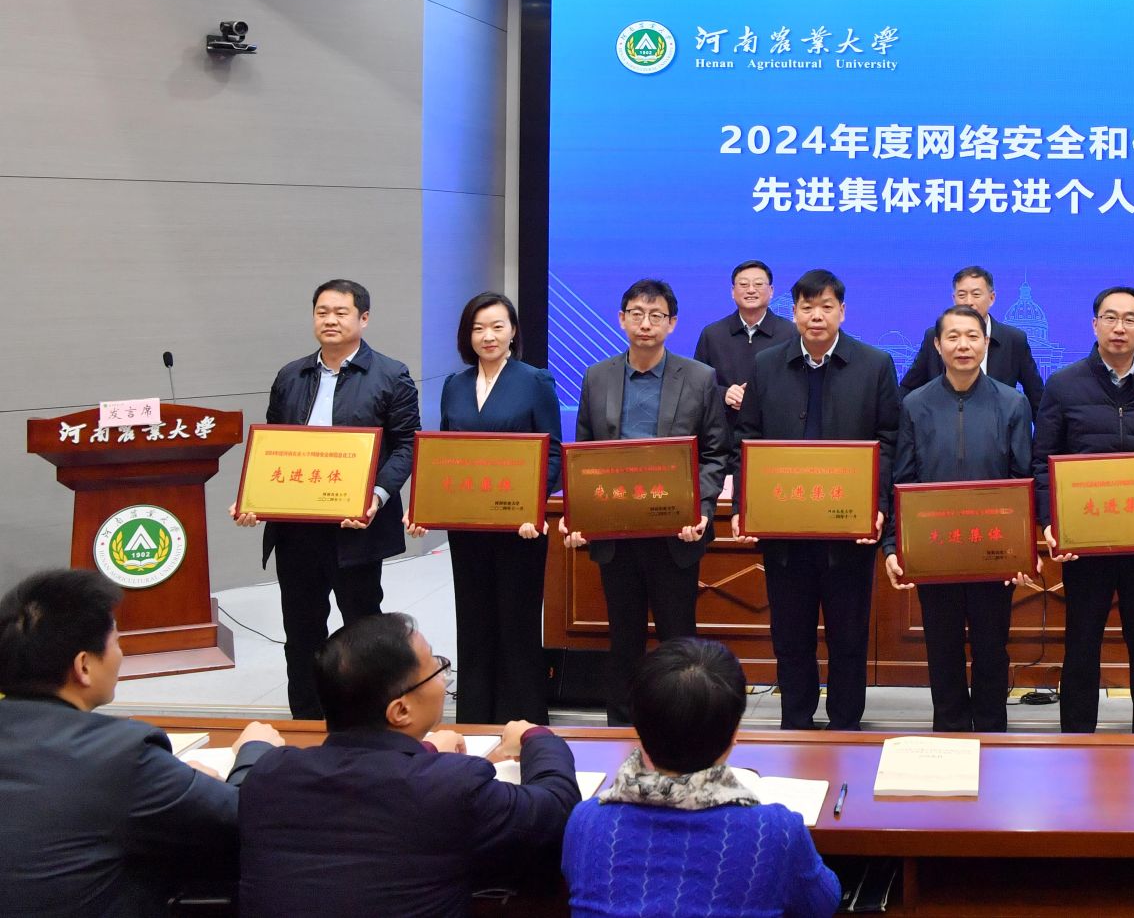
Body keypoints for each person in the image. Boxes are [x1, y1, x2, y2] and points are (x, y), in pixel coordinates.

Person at [238, 613, 579, 918]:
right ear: (400, 711)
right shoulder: (451, 785)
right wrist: (535, 736)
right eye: (437, 669)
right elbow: (558, 807)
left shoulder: (269, 776)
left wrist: (424, 750)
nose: (444, 677)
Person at [0, 569, 282, 918]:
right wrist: (254, 753)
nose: (121, 654)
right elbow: (246, 816)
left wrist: (171, 782)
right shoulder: (122, 755)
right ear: (83, 666)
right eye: (117, 642)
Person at [236, 278, 420, 720]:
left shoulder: (391, 375)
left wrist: (376, 495)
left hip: (356, 527)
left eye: (341, 312)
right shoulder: (291, 375)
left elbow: (406, 446)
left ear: (363, 318)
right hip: (297, 531)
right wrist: (253, 497)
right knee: (301, 632)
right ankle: (307, 722)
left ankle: (367, 722)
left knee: (363, 630)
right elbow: (272, 447)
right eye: (322, 312)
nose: (330, 320)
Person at [562, 278, 736, 726]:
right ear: (621, 319)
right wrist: (580, 513)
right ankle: (621, 728)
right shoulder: (597, 376)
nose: (645, 323)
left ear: (672, 323)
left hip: (676, 532)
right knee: (624, 639)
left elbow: (715, 452)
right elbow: (584, 452)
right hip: (616, 534)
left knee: (679, 639)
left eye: (656, 315)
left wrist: (700, 508)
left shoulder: (699, 378)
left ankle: (684, 726)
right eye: (636, 314)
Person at [563, 638, 839, 918]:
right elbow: (824, 903)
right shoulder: (776, 831)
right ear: (734, 733)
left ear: (639, 730)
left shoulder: (586, 822)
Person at [734, 269, 899, 731]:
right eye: (807, 307)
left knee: (848, 637)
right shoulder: (767, 364)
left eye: (826, 306)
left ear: (842, 311)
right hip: (785, 532)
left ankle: (845, 725)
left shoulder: (874, 364)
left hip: (849, 530)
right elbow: (748, 437)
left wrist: (878, 502)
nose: (816, 316)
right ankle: (796, 721)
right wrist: (746, 504)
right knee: (791, 637)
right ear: (794, 313)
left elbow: (890, 438)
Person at [1033, 285, 1134, 734]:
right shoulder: (1063, 384)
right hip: (1085, 542)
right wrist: (1048, 521)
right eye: (1109, 317)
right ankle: (1076, 737)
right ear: (1094, 325)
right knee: (1082, 642)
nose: (1118, 327)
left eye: (1129, 319)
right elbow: (1042, 460)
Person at [406, 292, 563, 725]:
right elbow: (443, 455)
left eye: (497, 326)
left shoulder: (536, 381)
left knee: (517, 625)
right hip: (469, 527)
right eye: (478, 328)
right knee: (473, 623)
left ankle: (524, 723)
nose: (487, 336)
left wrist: (534, 507)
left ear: (513, 332)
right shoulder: (455, 385)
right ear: (467, 336)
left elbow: (553, 453)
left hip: (519, 528)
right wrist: (423, 505)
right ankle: (475, 719)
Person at [884, 305, 1035, 732]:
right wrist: (894, 545)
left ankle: (991, 732)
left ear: (986, 343)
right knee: (942, 649)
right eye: (953, 336)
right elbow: (903, 480)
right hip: (935, 551)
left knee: (992, 648)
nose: (963, 345)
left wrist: (1023, 550)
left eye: (972, 336)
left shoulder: (1013, 402)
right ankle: (948, 733)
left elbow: (1022, 477)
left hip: (994, 551)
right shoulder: (915, 404)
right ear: (937, 345)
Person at [898, 264, 1047, 414]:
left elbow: (1036, 398)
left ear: (991, 298)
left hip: (997, 424)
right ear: (954, 299)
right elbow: (908, 389)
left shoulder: (1014, 340)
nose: (969, 302)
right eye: (962, 295)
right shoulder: (935, 336)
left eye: (976, 294)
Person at [691, 259, 796, 431]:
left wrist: (760, 397)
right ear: (733, 292)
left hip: (774, 431)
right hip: (725, 432)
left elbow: (800, 385)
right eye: (744, 284)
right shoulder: (712, 334)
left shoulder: (791, 333)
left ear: (771, 291)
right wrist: (724, 394)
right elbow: (696, 385)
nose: (751, 290)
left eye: (758, 284)